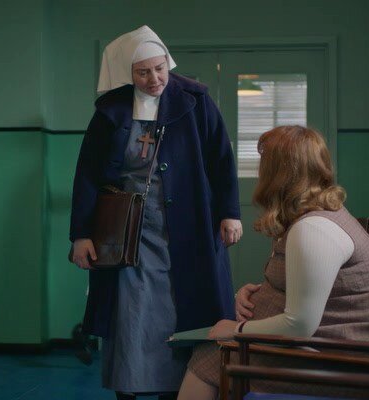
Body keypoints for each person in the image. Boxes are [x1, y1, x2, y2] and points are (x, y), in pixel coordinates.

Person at [69, 26, 242, 400]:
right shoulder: (111, 110)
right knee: (131, 310)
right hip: (126, 230)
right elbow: (88, 174)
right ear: (128, 73)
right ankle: (129, 386)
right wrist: (81, 235)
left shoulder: (196, 100)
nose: (154, 79)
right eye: (143, 72)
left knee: (182, 307)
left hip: (189, 223)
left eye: (159, 69)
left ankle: (179, 388)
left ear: (168, 63)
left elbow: (221, 159)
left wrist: (230, 213)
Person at [178, 125, 369, 399]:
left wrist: (236, 329)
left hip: (341, 364)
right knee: (211, 350)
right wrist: (253, 294)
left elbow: (300, 325)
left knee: (209, 356)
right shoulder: (317, 215)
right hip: (331, 350)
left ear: (277, 174)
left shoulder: (313, 230)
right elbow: (310, 289)